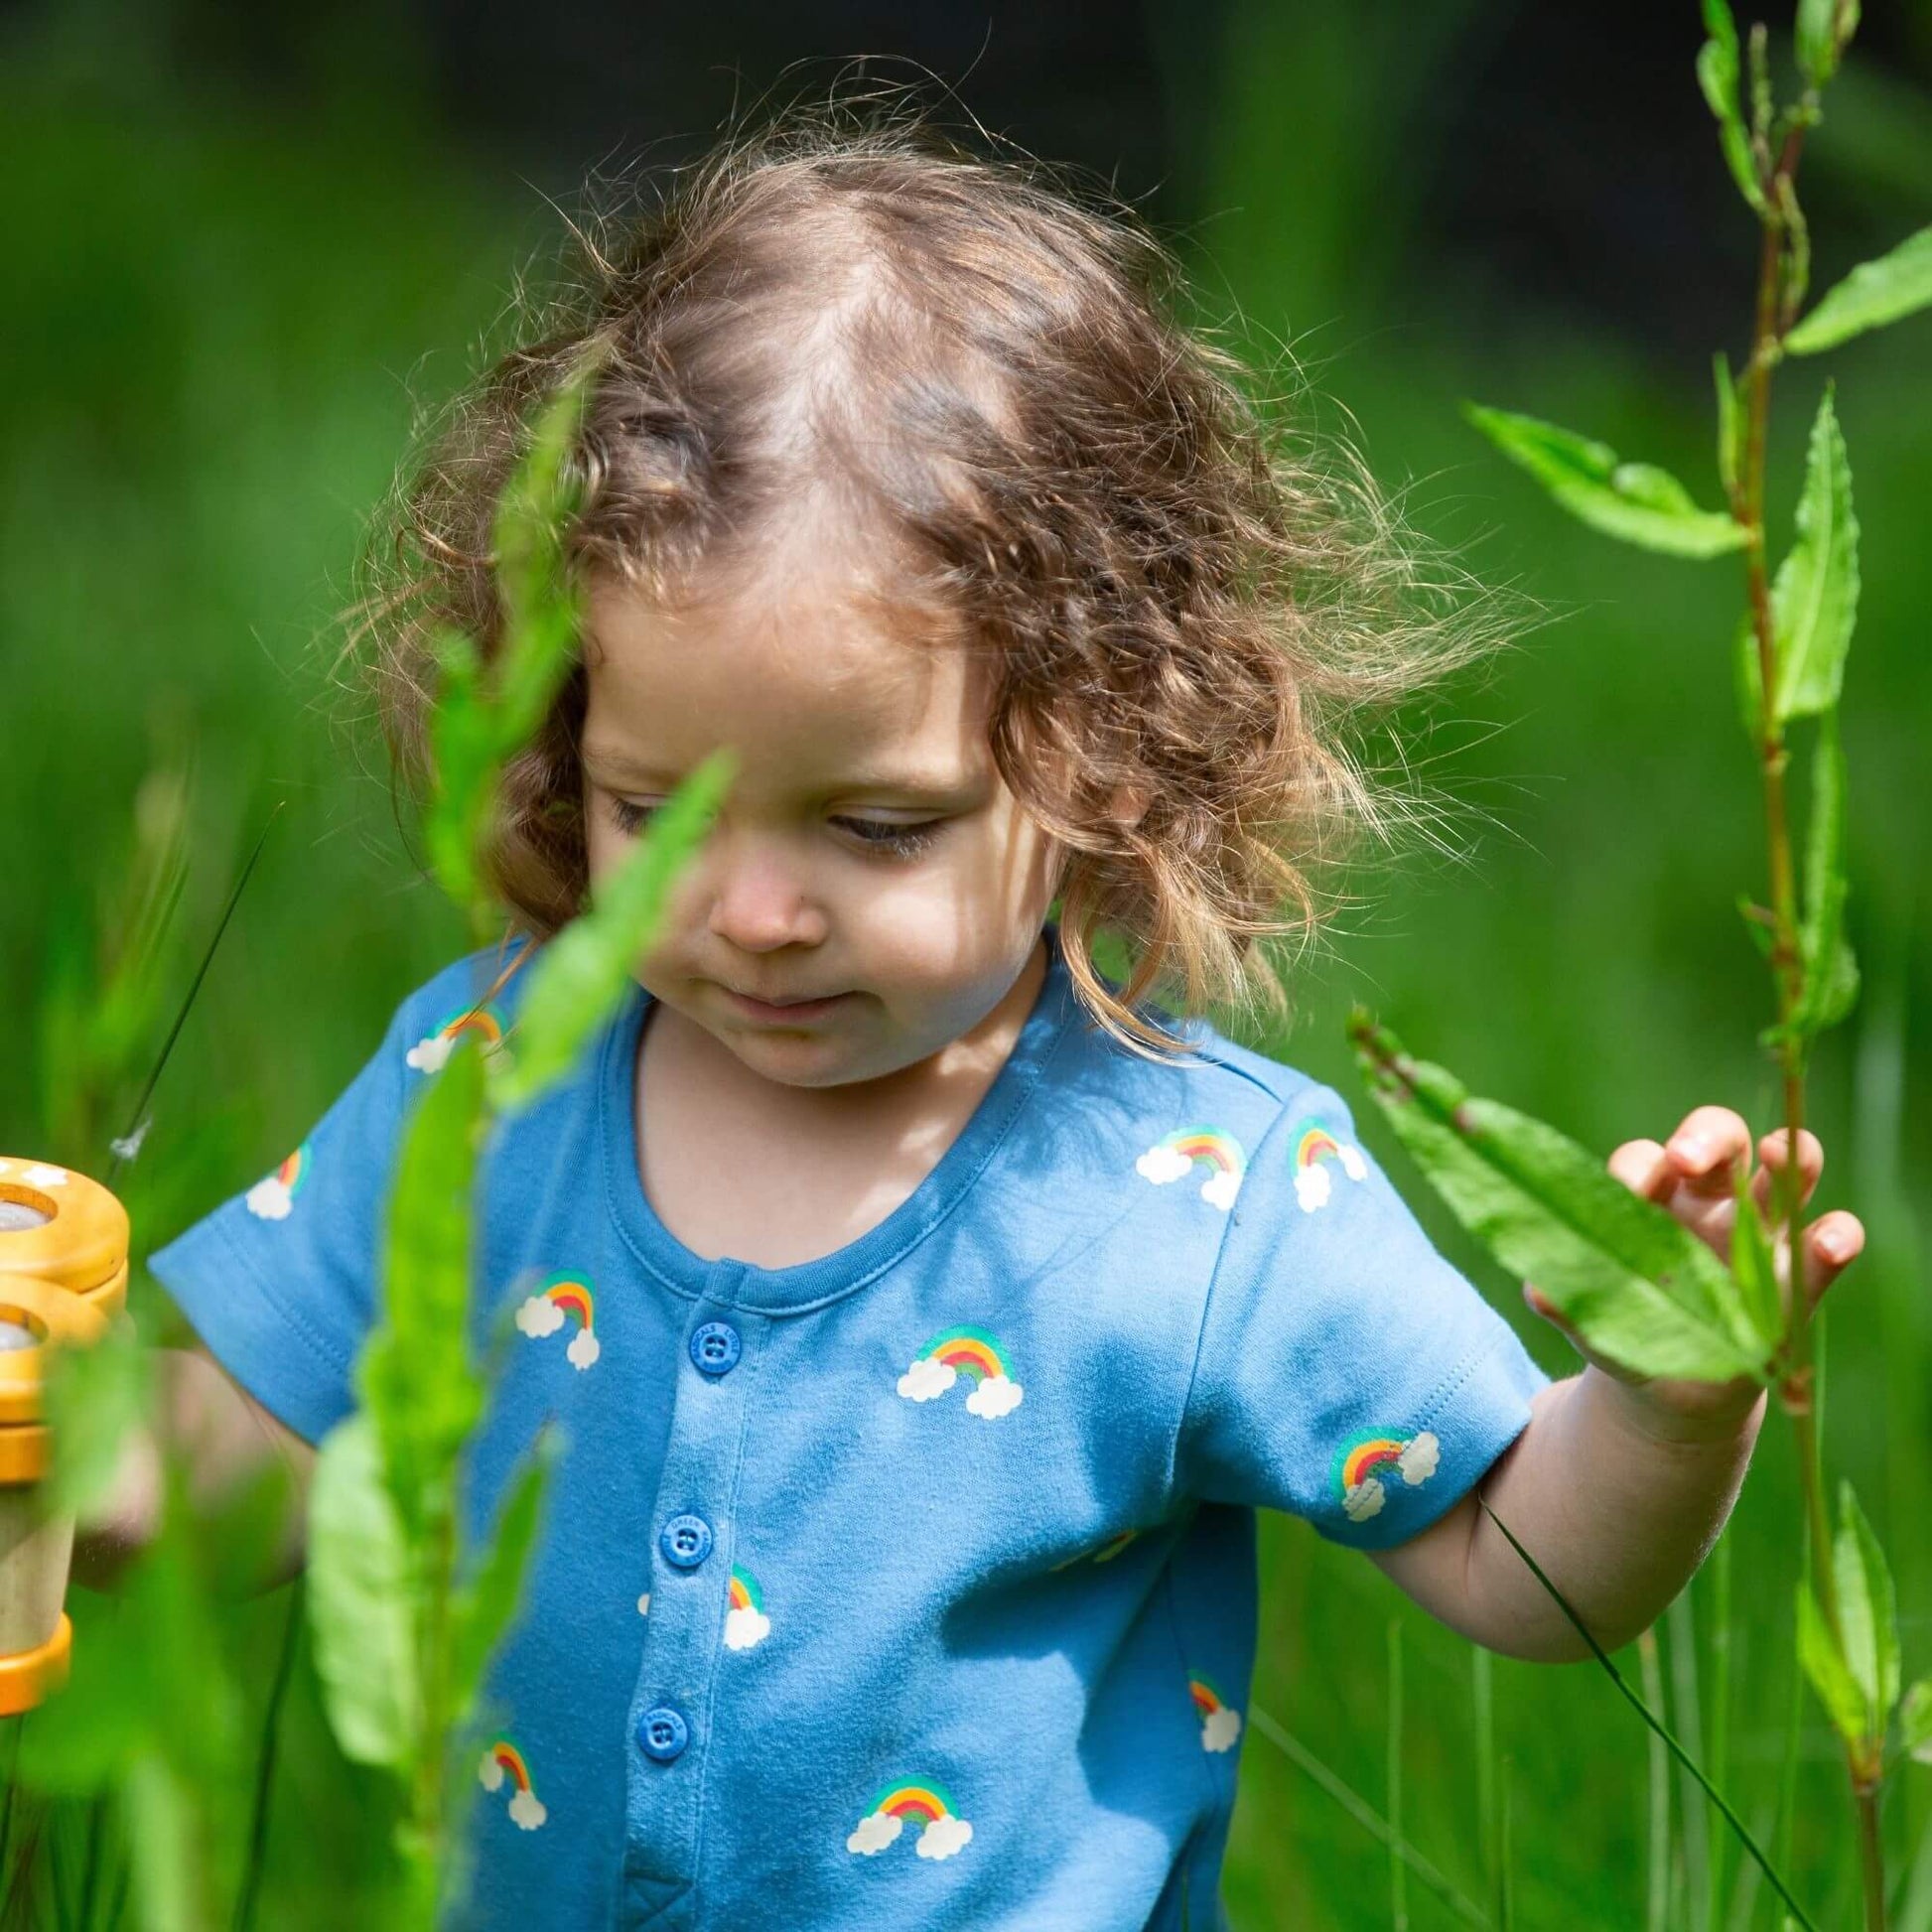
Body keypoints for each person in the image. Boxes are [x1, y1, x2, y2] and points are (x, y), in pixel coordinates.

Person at [102, 105, 1863, 1930]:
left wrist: (1665, 1406)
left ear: (1105, 748)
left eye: (878, 826)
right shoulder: (493, 1079)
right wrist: (49, 1441)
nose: (756, 910)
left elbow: (1517, 1560)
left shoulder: (1196, 1197)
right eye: (656, 810)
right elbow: (281, 1448)